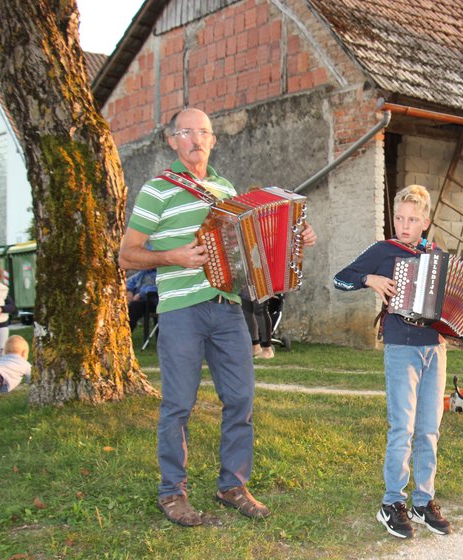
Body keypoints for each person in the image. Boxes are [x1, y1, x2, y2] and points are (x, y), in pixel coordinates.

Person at [118, 107, 317, 527]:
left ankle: (232, 485)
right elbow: (126, 256)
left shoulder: (226, 190)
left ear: (213, 140)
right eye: (186, 132)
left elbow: (251, 248)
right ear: (172, 141)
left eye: (203, 132)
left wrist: (294, 236)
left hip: (228, 307)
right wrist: (171, 256)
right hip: (181, 310)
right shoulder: (157, 190)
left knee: (241, 399)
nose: (195, 139)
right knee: (178, 404)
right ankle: (172, 492)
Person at [334, 184, 463, 539]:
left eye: (412, 219)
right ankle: (391, 503)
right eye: (399, 218)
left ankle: (423, 501)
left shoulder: (437, 256)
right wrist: (370, 279)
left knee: (429, 429)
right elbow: (340, 279)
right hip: (401, 346)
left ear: (425, 222)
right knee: (402, 428)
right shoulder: (384, 250)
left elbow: (459, 307)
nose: (404, 225)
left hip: (435, 347)